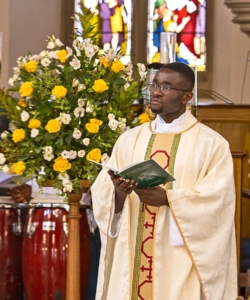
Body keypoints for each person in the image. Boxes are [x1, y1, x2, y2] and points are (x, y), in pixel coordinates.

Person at [91, 62, 237, 300]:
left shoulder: (211, 144)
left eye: (167, 87)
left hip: (177, 259)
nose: (156, 92)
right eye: (155, 84)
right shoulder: (129, 139)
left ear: (186, 97)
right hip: (132, 253)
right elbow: (102, 195)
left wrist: (170, 199)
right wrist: (118, 193)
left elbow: (218, 203)